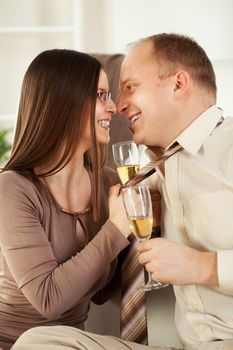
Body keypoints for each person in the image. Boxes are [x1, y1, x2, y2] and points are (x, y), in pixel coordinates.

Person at [11, 33, 233, 350]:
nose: (119, 106)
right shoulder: (148, 180)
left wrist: (204, 266)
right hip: (186, 347)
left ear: (179, 84)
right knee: (37, 342)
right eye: (107, 94)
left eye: (130, 87)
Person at [0, 49, 132, 350]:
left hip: (68, 344)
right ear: (64, 101)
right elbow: (50, 300)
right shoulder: (13, 187)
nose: (112, 107)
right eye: (100, 95)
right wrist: (115, 229)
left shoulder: (107, 182)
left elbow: (96, 293)